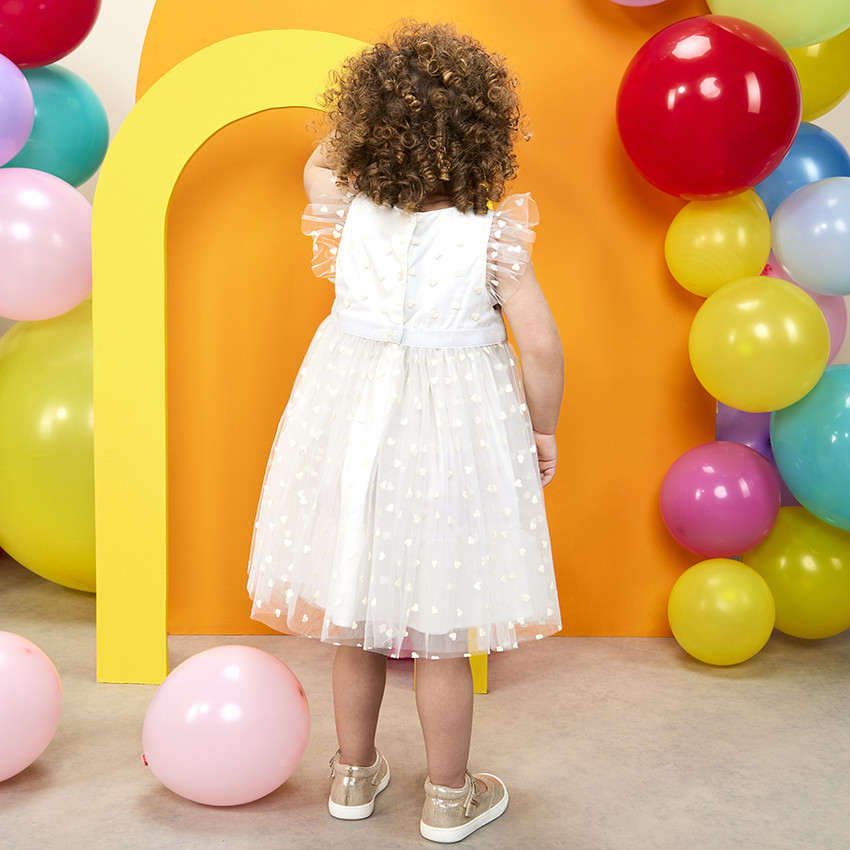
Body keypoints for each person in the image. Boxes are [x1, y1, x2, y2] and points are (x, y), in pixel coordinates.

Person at [247, 20, 563, 844]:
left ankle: (352, 776)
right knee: (440, 630)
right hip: (451, 442)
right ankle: (449, 798)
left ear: (367, 131)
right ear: (484, 137)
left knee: (354, 612)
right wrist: (544, 432)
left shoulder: (346, 214)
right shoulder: (493, 238)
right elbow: (540, 345)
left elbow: (321, 161)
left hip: (350, 429)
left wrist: (371, 121)